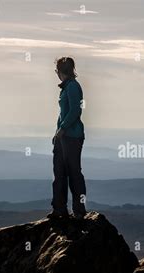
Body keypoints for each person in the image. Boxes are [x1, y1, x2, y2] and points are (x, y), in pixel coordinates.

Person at [48, 57, 87, 220]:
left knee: (73, 173)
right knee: (60, 173)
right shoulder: (67, 87)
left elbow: (75, 111)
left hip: (71, 137)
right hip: (64, 137)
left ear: (59, 71)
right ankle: (60, 209)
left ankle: (78, 210)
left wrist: (62, 129)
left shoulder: (72, 87)